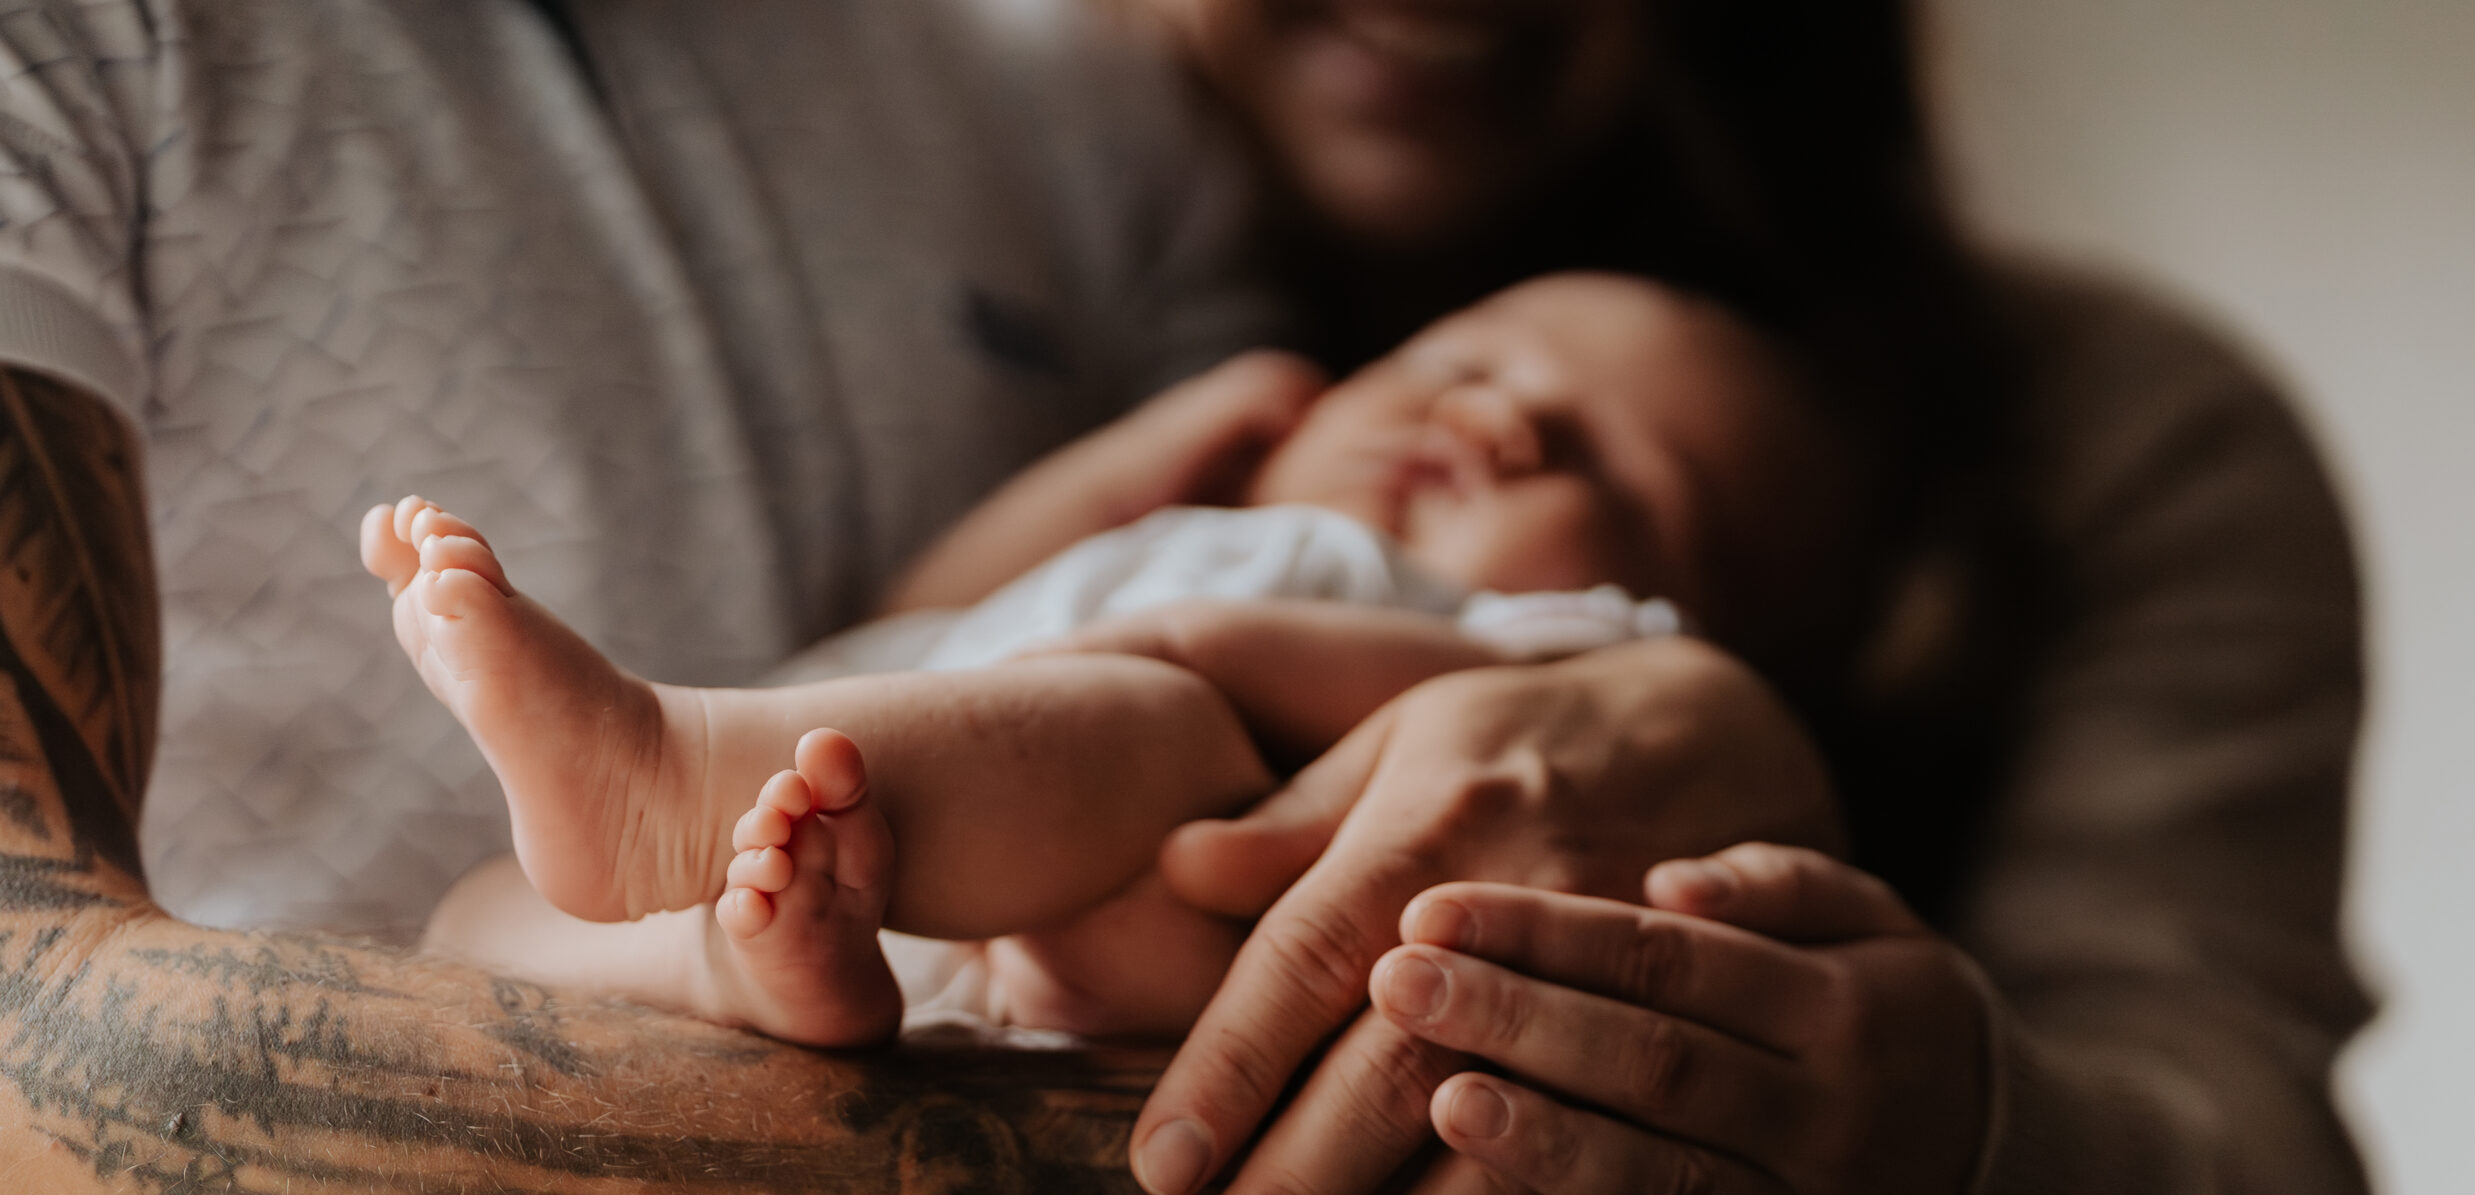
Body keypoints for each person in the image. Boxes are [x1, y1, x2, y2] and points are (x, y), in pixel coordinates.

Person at [0, 1, 2475, 1195]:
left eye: (1604, 461)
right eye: (1458, 375)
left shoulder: (2062, 440)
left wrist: (1863, 1064)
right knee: (678, 877)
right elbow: (958, 628)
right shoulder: (1125, 183)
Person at [377, 273, 1845, 1047]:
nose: (1501, 420)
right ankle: (724, 961)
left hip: (1100, 934)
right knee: (474, 915)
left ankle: (666, 770)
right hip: (819, 848)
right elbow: (928, 616)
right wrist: (1118, 474)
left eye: (1609, 471)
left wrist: (1168, 644)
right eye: (1460, 361)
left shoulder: (1554, 665)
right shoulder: (1189, 529)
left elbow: (1338, 699)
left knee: (1172, 724)